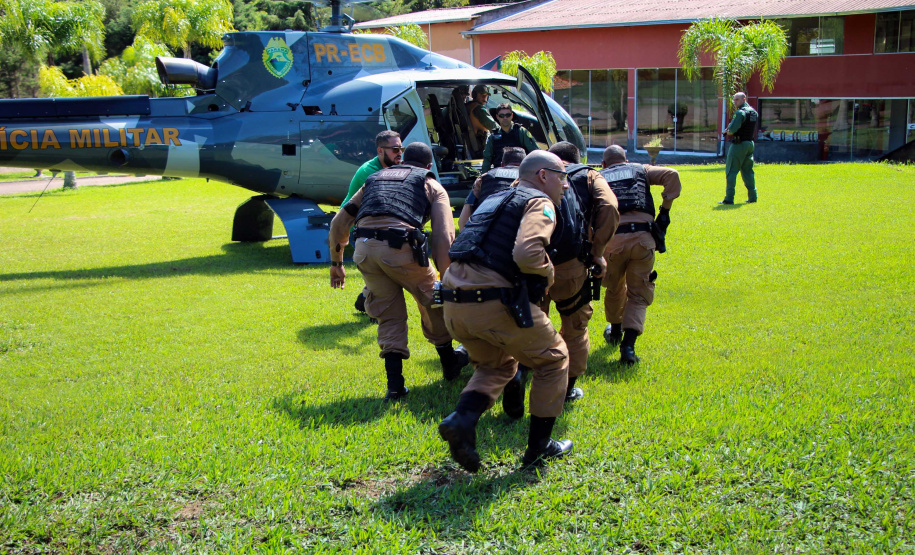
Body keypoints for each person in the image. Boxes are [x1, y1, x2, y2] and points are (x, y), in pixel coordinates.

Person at [437, 150, 574, 472]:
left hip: (454, 301)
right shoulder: (540, 201)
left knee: (495, 365)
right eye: (562, 177)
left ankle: (461, 420)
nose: (566, 185)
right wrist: (548, 274)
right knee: (554, 359)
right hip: (493, 301)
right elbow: (527, 252)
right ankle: (539, 449)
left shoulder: (493, 199)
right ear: (543, 176)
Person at [328, 142, 469, 400]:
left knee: (388, 314)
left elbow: (340, 222)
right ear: (429, 165)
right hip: (402, 250)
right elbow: (444, 237)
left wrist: (336, 264)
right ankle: (450, 364)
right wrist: (446, 276)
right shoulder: (432, 185)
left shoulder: (373, 179)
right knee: (433, 304)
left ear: (402, 160)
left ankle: (395, 386)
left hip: (365, 250)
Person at [543, 141, 619, 400]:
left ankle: (520, 374)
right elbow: (609, 206)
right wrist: (597, 251)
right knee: (575, 325)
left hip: (532, 262)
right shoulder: (589, 175)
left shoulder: (537, 172)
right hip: (571, 263)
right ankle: (568, 388)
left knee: (529, 321)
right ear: (576, 158)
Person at [599, 145, 681, 364]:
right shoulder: (640, 169)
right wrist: (665, 211)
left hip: (614, 240)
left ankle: (615, 331)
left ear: (604, 164)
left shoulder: (598, 177)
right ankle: (628, 347)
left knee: (614, 287)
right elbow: (672, 175)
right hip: (644, 240)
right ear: (626, 161)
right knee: (639, 292)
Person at [341, 131, 403, 315]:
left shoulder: (392, 167)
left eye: (401, 148)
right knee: (382, 270)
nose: (399, 153)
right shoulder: (370, 173)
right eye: (395, 149)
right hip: (356, 226)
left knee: (383, 271)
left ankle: (364, 299)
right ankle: (375, 311)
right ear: (380, 151)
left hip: (374, 226)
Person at [457, 146, 526, 230]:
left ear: (502, 165)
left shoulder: (484, 178)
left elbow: (463, 222)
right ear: (524, 165)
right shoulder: (531, 178)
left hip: (485, 232)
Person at [720, 92, 758, 205]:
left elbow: (732, 129)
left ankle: (729, 198)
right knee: (748, 171)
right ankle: (753, 197)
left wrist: (727, 131)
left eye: (737, 99)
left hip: (739, 144)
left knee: (731, 171)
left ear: (744, 99)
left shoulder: (740, 112)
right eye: (734, 100)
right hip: (750, 143)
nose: (734, 102)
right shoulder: (754, 112)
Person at [480, 103, 539, 173]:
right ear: (497, 117)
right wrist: (483, 176)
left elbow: (534, 152)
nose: (505, 118)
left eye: (508, 115)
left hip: (519, 173)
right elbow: (487, 158)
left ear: (512, 115)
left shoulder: (521, 132)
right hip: (499, 173)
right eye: (501, 116)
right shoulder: (493, 137)